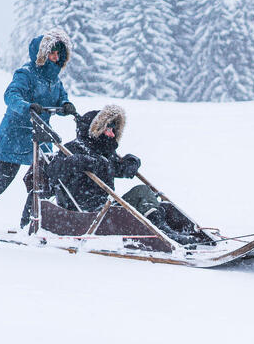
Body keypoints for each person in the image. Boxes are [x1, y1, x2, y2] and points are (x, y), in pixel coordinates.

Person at [0, 28, 76, 232]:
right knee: (4, 178)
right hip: (16, 133)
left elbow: (61, 98)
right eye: (52, 53)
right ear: (42, 54)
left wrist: (66, 105)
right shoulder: (26, 74)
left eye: (59, 54)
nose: (55, 57)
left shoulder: (55, 80)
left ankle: (29, 223)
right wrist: (27, 106)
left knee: (43, 179)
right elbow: (11, 95)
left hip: (41, 134)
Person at [44, 104, 195, 245]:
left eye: (114, 129)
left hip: (104, 208)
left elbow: (120, 168)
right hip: (86, 213)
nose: (111, 133)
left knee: (144, 194)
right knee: (141, 194)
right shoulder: (72, 149)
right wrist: (78, 161)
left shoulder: (104, 152)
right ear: (96, 129)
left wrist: (132, 163)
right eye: (108, 128)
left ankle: (174, 230)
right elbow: (52, 170)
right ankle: (163, 234)